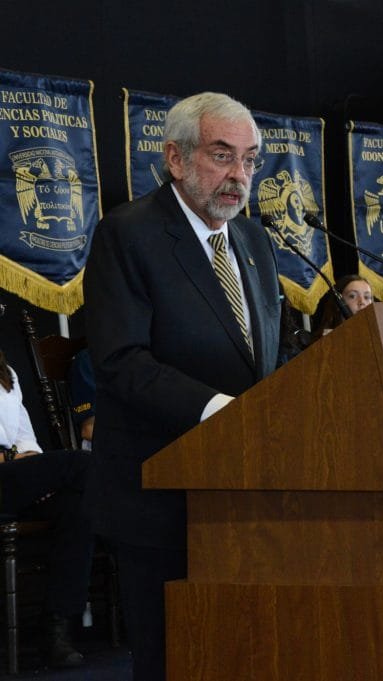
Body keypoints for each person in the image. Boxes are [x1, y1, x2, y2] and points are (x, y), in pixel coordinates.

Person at [83, 92, 282, 681]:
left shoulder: (252, 241)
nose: (239, 176)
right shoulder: (129, 234)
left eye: (250, 159)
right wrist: (222, 410)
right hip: (161, 495)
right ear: (175, 157)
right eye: (222, 155)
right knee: (175, 660)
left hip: (246, 494)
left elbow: (267, 354)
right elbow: (120, 360)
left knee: (243, 652)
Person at [0, 350, 93, 667]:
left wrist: (31, 462)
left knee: (78, 507)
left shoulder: (7, 371)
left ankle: (55, 628)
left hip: (14, 476)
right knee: (84, 464)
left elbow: (26, 438)